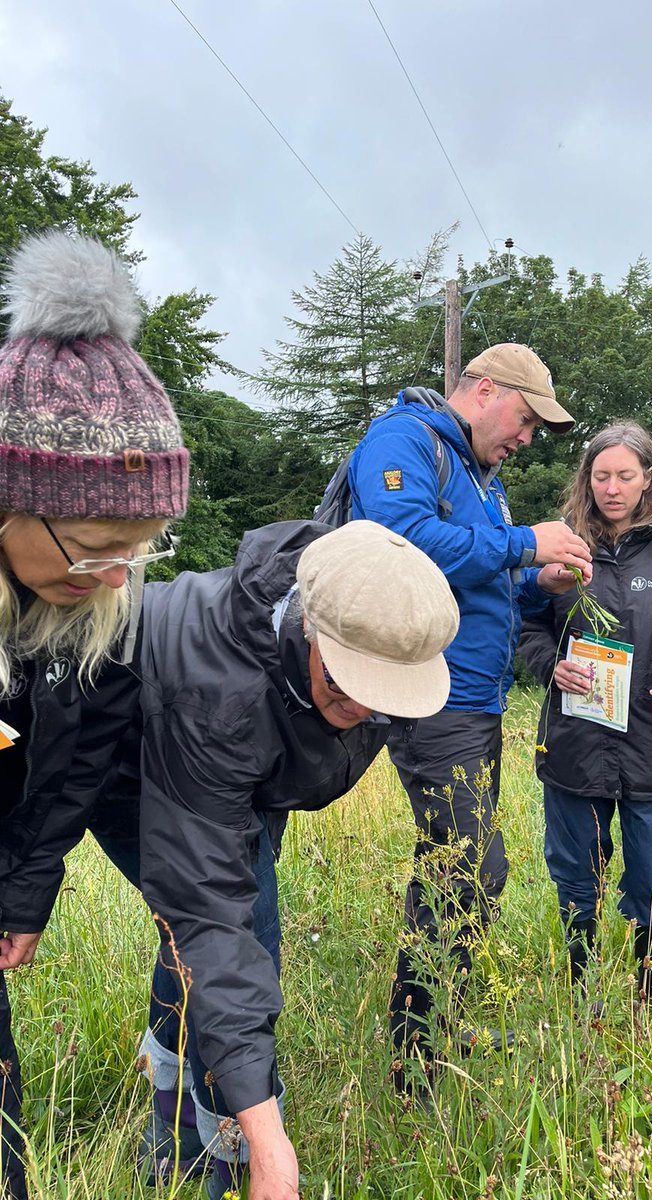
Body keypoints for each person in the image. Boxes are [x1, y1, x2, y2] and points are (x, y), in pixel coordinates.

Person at [104, 519, 459, 1200]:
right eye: (349, 683)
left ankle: (171, 1134)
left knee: (199, 951)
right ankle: (234, 1168)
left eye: (383, 693)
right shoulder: (216, 692)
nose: (363, 707)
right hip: (130, 763)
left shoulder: (378, 615)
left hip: (245, 764)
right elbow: (210, 914)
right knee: (238, 940)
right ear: (308, 629)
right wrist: (270, 1141)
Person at [0, 231, 189, 1200]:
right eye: (91, 546)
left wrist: (27, 885)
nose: (115, 574)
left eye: (139, 549)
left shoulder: (101, 608)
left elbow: (80, 753)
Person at [347, 343, 594, 1083]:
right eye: (523, 420)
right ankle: (418, 1056)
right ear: (483, 391)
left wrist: (540, 579)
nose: (524, 439)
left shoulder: (485, 480)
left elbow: (489, 586)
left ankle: (436, 1026)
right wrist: (523, 544)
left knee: (460, 868)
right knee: (468, 870)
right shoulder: (404, 440)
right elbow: (404, 544)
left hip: (477, 699)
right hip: (431, 695)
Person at [518, 422, 652, 1009]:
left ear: (648, 480)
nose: (612, 488)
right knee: (574, 874)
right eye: (601, 475)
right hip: (574, 740)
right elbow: (528, 621)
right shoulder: (560, 545)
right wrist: (549, 666)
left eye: (625, 476)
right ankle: (581, 989)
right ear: (586, 481)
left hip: (651, 741)